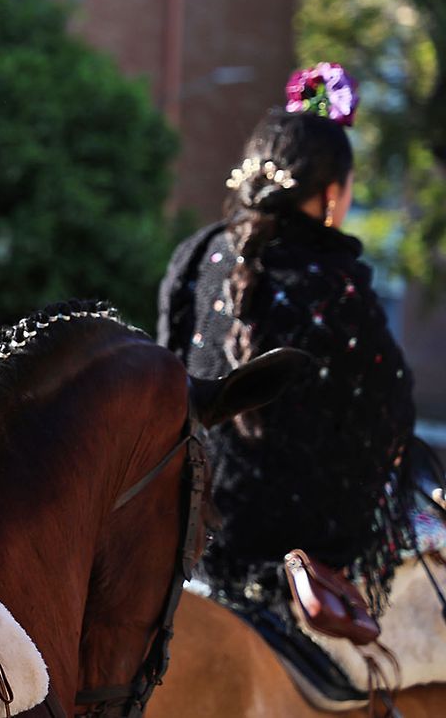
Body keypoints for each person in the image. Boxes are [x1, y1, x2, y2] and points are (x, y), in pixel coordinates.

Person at [157, 63, 416, 608]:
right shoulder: (337, 288)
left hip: (179, 550)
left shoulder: (196, 257)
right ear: (329, 195)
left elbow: (164, 388)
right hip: (289, 575)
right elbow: (387, 419)